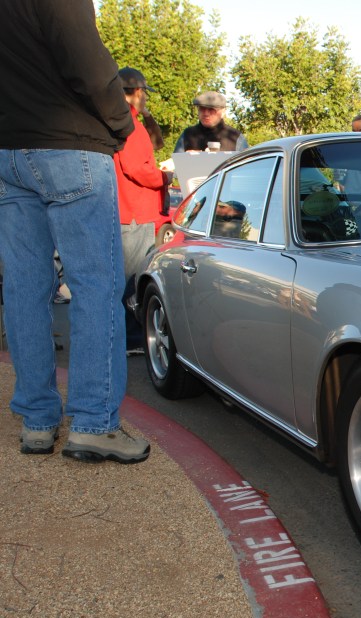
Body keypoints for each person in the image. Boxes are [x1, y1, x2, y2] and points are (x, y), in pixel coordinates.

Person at [0, 0, 151, 463]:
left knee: (25, 287)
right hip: (69, 146)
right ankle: (92, 424)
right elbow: (87, 61)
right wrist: (122, 122)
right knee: (95, 284)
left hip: (8, 152)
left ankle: (38, 422)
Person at [115, 67, 172, 354]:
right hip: (135, 212)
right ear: (138, 92)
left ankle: (127, 336)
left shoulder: (116, 120)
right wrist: (164, 177)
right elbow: (137, 167)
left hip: (123, 210)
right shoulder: (130, 124)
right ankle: (132, 339)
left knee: (123, 276)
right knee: (133, 278)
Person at [173, 91, 249, 152]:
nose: (206, 113)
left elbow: (245, 168)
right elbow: (176, 166)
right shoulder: (188, 134)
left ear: (223, 112)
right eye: (202, 109)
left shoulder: (235, 137)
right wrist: (187, 158)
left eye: (211, 110)